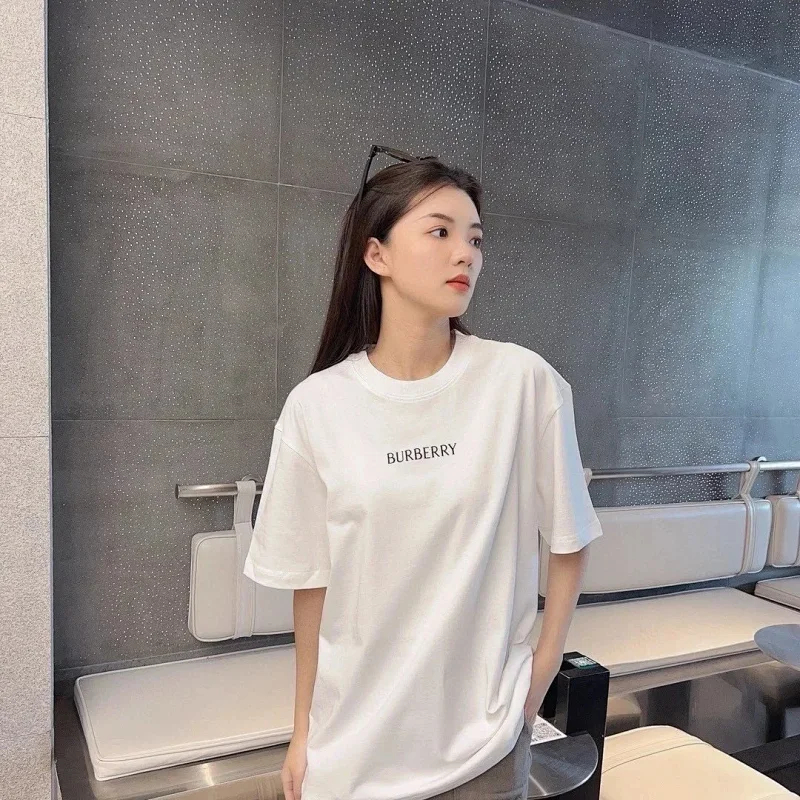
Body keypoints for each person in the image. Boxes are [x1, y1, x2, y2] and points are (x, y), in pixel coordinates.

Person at [243, 148, 604, 800]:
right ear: (376, 254)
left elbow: (569, 538)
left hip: (483, 746)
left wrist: (540, 673)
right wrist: (303, 731)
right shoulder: (317, 407)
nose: (465, 254)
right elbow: (312, 586)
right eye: (440, 232)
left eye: (475, 239)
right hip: (352, 749)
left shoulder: (523, 384)